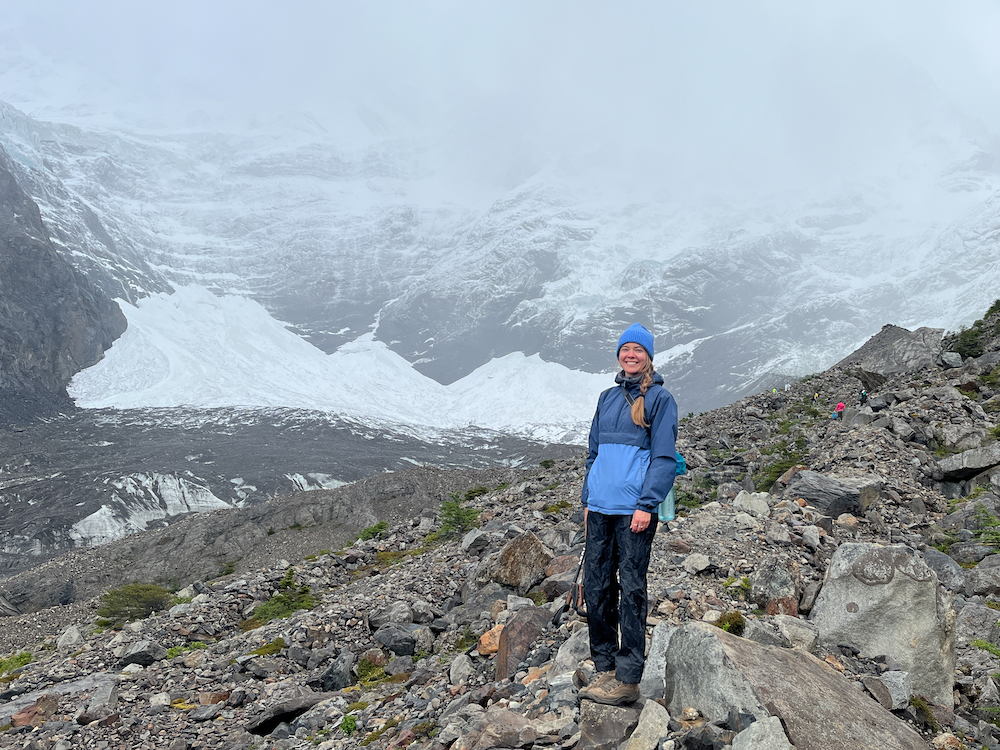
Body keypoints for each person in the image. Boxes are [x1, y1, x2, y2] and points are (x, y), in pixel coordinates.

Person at [578, 323, 678, 706]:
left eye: (638, 350)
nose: (630, 355)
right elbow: (593, 454)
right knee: (598, 585)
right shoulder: (606, 398)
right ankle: (603, 665)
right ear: (618, 354)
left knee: (632, 589)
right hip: (600, 508)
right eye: (625, 349)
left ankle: (628, 677)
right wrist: (588, 499)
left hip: (634, 511)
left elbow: (664, 458)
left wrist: (646, 505)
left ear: (648, 356)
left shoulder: (659, 399)